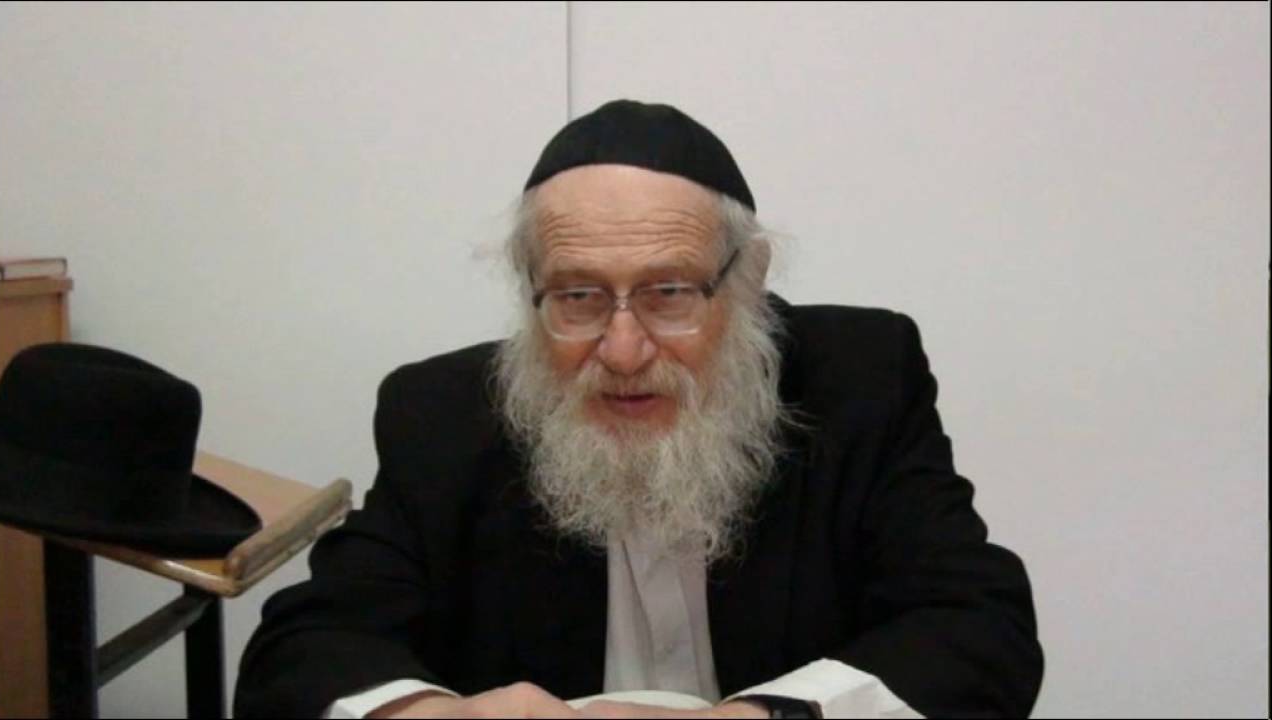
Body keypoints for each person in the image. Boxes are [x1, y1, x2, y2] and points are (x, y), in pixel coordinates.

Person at [235, 100, 1043, 719]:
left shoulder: (861, 378)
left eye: (670, 292)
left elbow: (977, 627)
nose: (622, 352)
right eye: (578, 297)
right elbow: (305, 646)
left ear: (748, 280)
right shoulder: (441, 414)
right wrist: (426, 714)